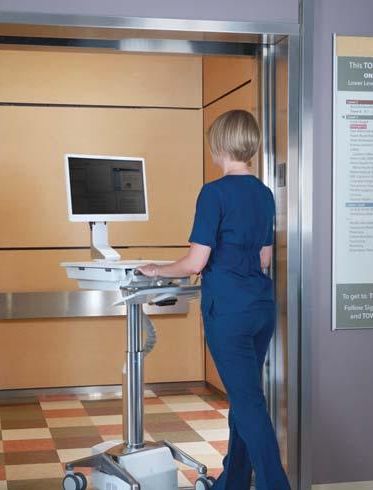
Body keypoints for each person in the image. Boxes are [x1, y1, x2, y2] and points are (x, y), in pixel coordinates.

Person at [137, 110, 291, 490]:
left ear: (218, 145)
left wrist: (156, 270)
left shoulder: (214, 193)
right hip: (260, 308)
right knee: (245, 397)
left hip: (229, 311)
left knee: (249, 404)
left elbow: (195, 262)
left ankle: (275, 485)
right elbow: (264, 258)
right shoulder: (264, 193)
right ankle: (233, 481)